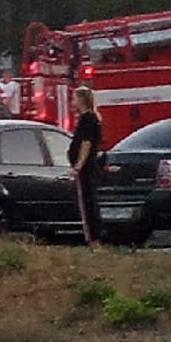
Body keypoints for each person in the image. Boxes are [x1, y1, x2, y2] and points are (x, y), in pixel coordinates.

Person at [67, 85, 103, 247]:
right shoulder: (90, 118)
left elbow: (86, 143)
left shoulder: (88, 119)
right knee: (89, 201)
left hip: (86, 168)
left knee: (87, 203)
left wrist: (79, 165)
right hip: (88, 167)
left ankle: (93, 239)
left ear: (82, 100)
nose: (73, 101)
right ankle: (93, 238)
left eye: (75, 98)